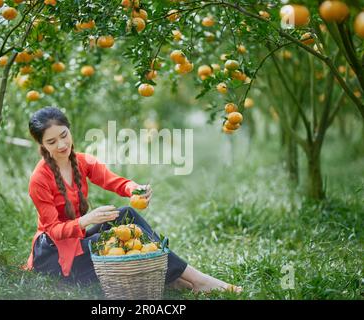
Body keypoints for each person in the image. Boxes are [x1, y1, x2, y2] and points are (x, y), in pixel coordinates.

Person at [24, 106, 242, 293]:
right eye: (52, 141)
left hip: (76, 241)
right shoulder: (39, 179)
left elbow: (113, 181)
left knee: (126, 215)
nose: (61, 144)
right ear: (42, 145)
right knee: (111, 243)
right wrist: (86, 220)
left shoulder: (81, 161)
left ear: (69, 130)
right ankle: (195, 280)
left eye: (64, 135)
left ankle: (177, 275)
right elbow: (53, 230)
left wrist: (134, 189)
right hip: (54, 255)